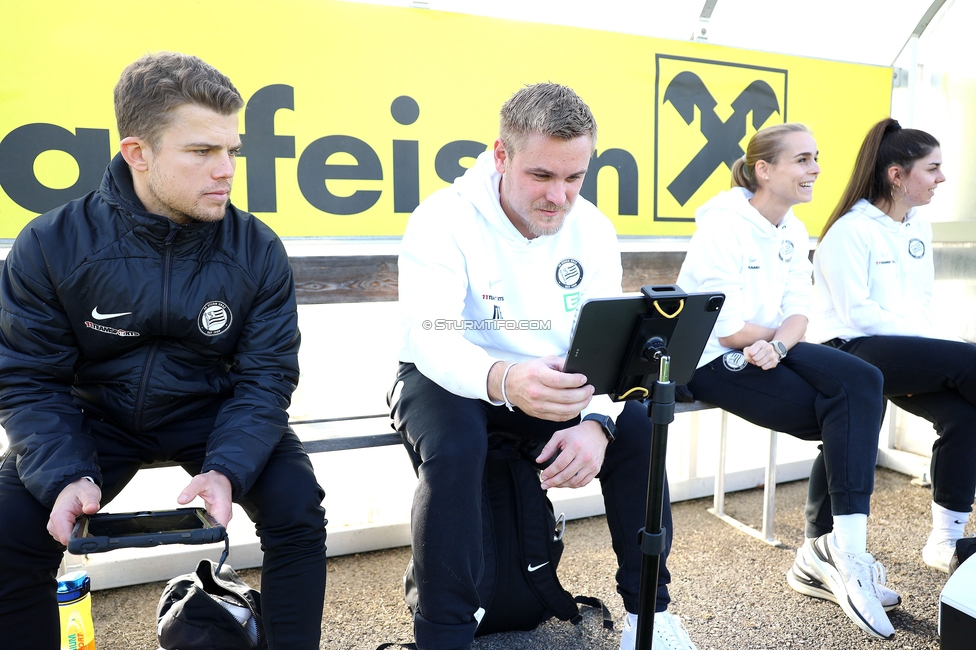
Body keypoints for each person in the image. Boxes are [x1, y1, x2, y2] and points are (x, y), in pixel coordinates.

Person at [0, 52, 327, 649]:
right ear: (138, 153)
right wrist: (65, 473)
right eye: (202, 152)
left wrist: (228, 466)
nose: (225, 169)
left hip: (213, 410)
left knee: (298, 510)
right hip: (95, 416)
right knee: (10, 533)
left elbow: (266, 378)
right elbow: (28, 380)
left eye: (232, 150)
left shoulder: (256, 248)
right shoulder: (51, 243)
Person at [390, 83, 697, 650]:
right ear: (501, 157)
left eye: (575, 177)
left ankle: (649, 618)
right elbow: (427, 335)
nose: (560, 196)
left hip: (551, 383)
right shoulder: (442, 217)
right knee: (455, 447)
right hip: (451, 379)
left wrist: (597, 424)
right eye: (542, 176)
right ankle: (442, 637)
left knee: (638, 429)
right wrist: (504, 379)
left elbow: (609, 346)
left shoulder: (595, 228)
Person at [675, 123, 899, 640]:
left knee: (865, 381)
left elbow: (800, 308)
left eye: (815, 157)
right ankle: (828, 555)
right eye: (802, 160)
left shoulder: (793, 229)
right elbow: (721, 323)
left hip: (775, 347)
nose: (815, 169)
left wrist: (776, 345)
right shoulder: (723, 226)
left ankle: (843, 552)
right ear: (764, 170)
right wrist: (765, 341)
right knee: (844, 414)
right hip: (707, 358)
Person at [814, 117, 974, 573]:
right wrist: (940, 344)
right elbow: (857, 315)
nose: (942, 178)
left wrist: (937, 342)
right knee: (970, 360)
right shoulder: (850, 230)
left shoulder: (917, 226)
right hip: (848, 351)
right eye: (933, 168)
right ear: (896, 175)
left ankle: (944, 543)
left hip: (900, 351)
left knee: (964, 415)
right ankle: (822, 546)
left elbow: (921, 306)